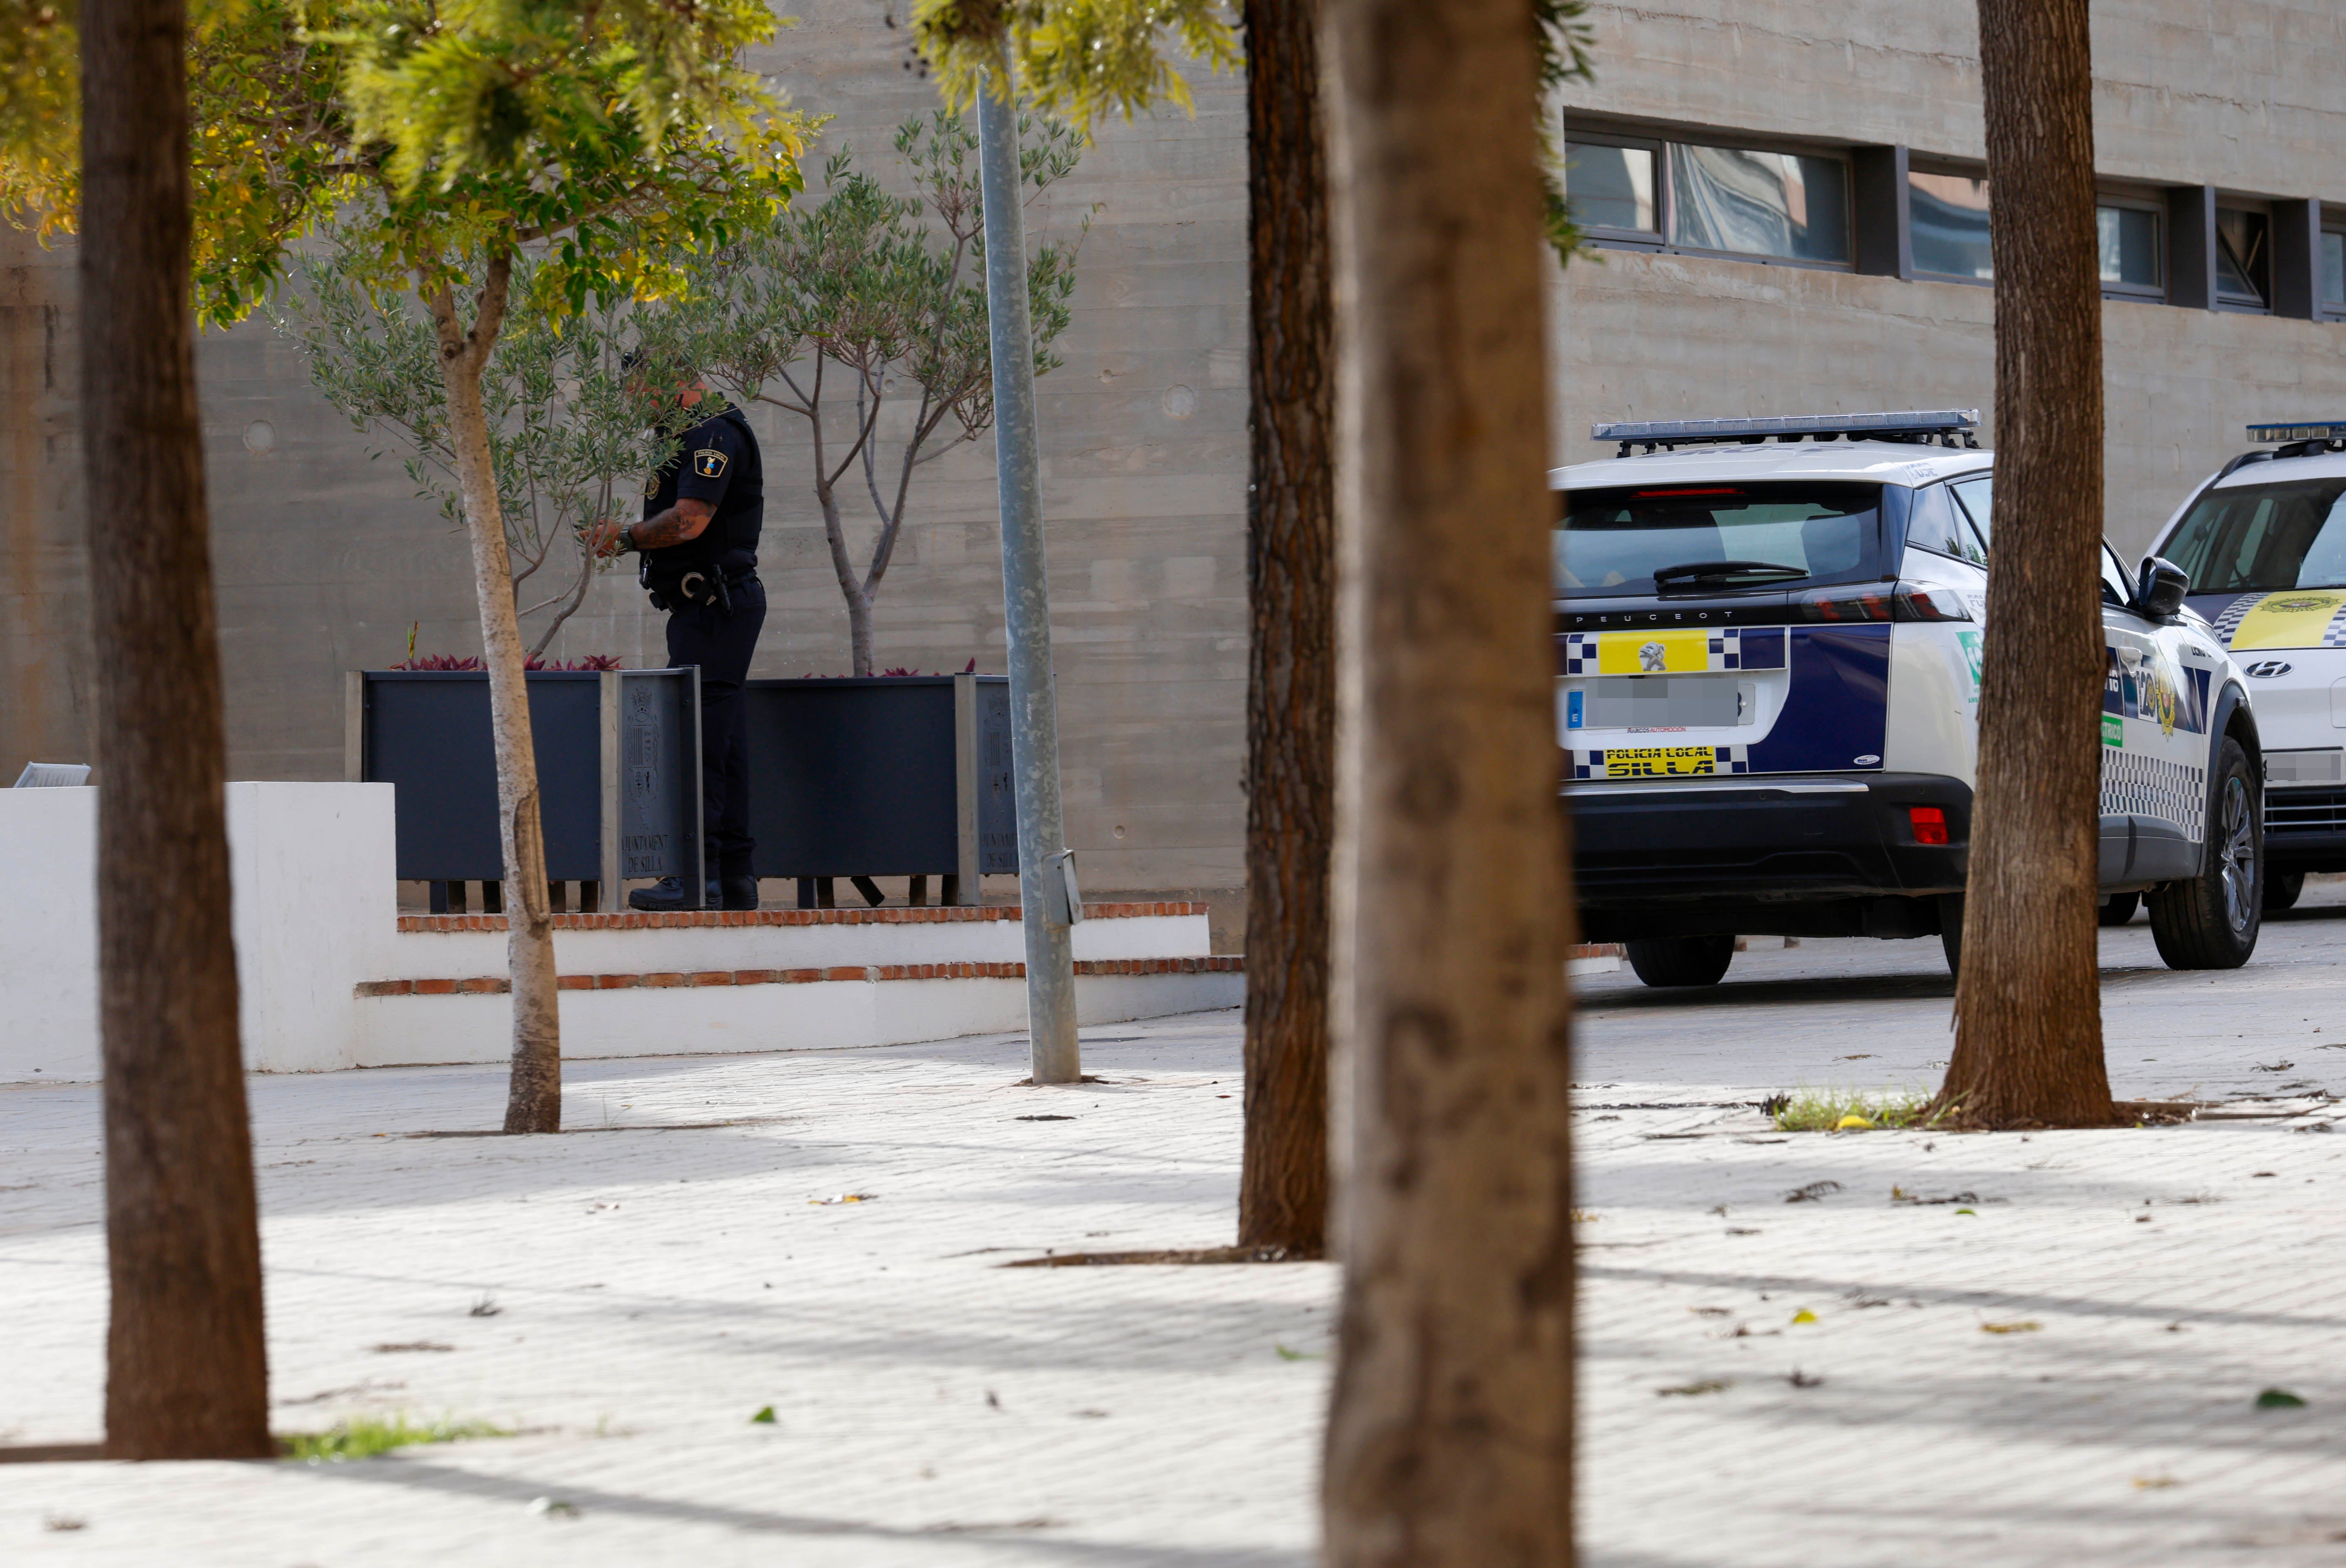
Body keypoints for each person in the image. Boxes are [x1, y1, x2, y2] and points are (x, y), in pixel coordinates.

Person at [590, 373, 766, 911]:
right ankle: (732, 877)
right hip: (709, 606)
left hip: (714, 605)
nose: (635, 406)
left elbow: (690, 521)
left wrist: (623, 538)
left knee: (697, 742)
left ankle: (696, 878)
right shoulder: (691, 436)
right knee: (723, 743)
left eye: (638, 392)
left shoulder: (710, 434)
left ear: (670, 381)